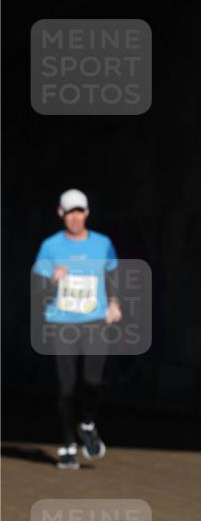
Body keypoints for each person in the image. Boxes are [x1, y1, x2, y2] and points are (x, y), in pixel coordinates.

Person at [32, 189, 122, 470]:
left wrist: (115, 303)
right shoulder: (50, 247)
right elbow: (37, 287)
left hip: (94, 320)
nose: (75, 217)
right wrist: (53, 280)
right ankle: (68, 444)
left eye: (79, 211)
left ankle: (86, 423)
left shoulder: (103, 244)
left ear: (87, 213)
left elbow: (113, 273)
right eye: (70, 212)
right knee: (67, 387)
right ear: (61, 214)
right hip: (63, 322)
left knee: (93, 381)